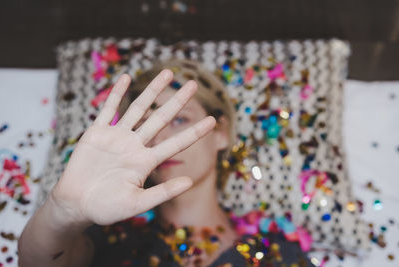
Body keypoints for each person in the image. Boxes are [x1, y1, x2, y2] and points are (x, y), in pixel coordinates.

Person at [18, 59, 314, 267]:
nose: (161, 139)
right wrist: (63, 210)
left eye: (180, 120)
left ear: (221, 133)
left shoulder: (279, 255)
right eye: (148, 127)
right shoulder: (108, 241)